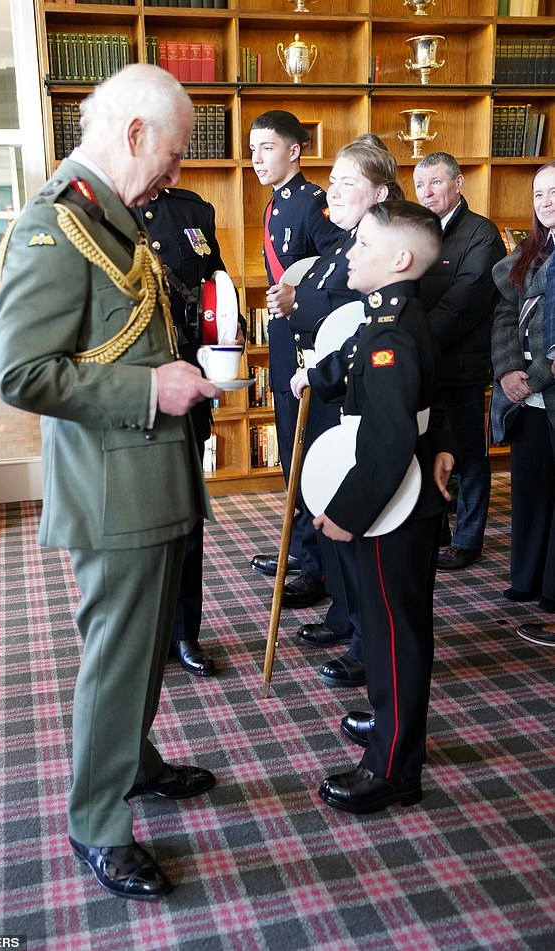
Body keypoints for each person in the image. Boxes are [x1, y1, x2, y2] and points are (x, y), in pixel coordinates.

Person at [0, 64, 222, 901]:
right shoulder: (54, 225)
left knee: (143, 650)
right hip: (111, 489)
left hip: (149, 476)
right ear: (133, 134)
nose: (176, 170)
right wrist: (149, 389)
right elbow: (18, 374)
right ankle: (97, 820)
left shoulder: (114, 215)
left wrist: (175, 370)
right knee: (116, 659)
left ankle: (137, 759)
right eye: (174, 149)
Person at [291, 200, 455, 813]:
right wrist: (317, 375)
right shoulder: (391, 319)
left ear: (400, 260)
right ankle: (393, 719)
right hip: (397, 491)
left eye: (362, 246)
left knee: (393, 634)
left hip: (392, 503)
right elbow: (410, 396)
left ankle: (393, 769)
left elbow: (388, 439)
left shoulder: (392, 330)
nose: (349, 254)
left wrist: (345, 512)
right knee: (395, 630)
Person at [288, 143, 400, 697]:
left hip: (352, 399)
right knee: (324, 509)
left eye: (346, 182)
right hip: (326, 397)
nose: (331, 191)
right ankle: (342, 617)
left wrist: (324, 372)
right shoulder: (339, 247)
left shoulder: (386, 248)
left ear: (380, 193)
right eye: (329, 180)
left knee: (356, 524)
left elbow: (368, 333)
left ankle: (363, 642)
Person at [139, 186, 244, 677]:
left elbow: (215, 283)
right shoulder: (95, 209)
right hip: (133, 388)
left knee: (185, 520)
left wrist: (233, 324)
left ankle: (184, 632)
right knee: (136, 524)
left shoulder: (192, 209)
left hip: (189, 382)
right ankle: (144, 634)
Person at [248, 110, 341, 609]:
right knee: (291, 453)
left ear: (294, 151)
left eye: (265, 147)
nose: (256, 157)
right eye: (252, 147)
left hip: (313, 347)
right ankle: (301, 550)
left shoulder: (313, 204)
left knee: (308, 455)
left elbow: (341, 276)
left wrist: (299, 302)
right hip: (285, 346)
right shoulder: (274, 205)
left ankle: (316, 567)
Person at [413, 152, 506, 570]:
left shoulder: (481, 234)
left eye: (435, 182)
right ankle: (439, 531)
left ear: (458, 183)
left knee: (469, 455)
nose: (427, 192)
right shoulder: (417, 231)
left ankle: (467, 539)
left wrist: (415, 339)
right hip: (425, 366)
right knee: (432, 448)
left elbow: (463, 303)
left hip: (463, 366)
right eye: (420, 185)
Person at [490, 160, 555, 631]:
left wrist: (533, 376)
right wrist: (509, 370)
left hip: (546, 389)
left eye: (554, 192)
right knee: (530, 489)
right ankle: (527, 577)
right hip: (527, 395)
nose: (546, 202)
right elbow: (504, 315)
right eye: (538, 195)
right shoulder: (529, 253)